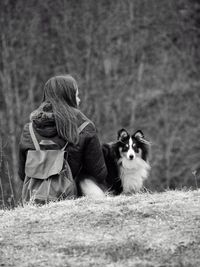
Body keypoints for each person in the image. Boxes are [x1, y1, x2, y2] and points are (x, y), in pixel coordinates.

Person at [18, 74, 107, 200]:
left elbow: (23, 174)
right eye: (77, 95)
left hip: (36, 199)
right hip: (71, 198)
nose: (79, 100)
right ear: (69, 97)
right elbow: (98, 173)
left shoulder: (29, 129)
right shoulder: (84, 127)